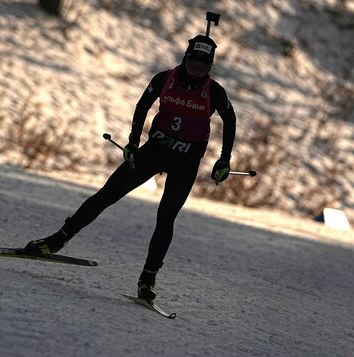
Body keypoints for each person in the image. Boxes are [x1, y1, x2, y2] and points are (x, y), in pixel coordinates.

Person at [24, 34, 236, 301]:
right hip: (155, 151)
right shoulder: (165, 79)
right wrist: (133, 142)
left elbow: (230, 120)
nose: (197, 70)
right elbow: (142, 106)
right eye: (194, 64)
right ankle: (57, 240)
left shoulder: (214, 92)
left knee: (166, 217)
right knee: (107, 195)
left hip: (187, 159)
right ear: (186, 58)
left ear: (210, 67)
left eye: (204, 67)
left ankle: (148, 279)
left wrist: (224, 159)